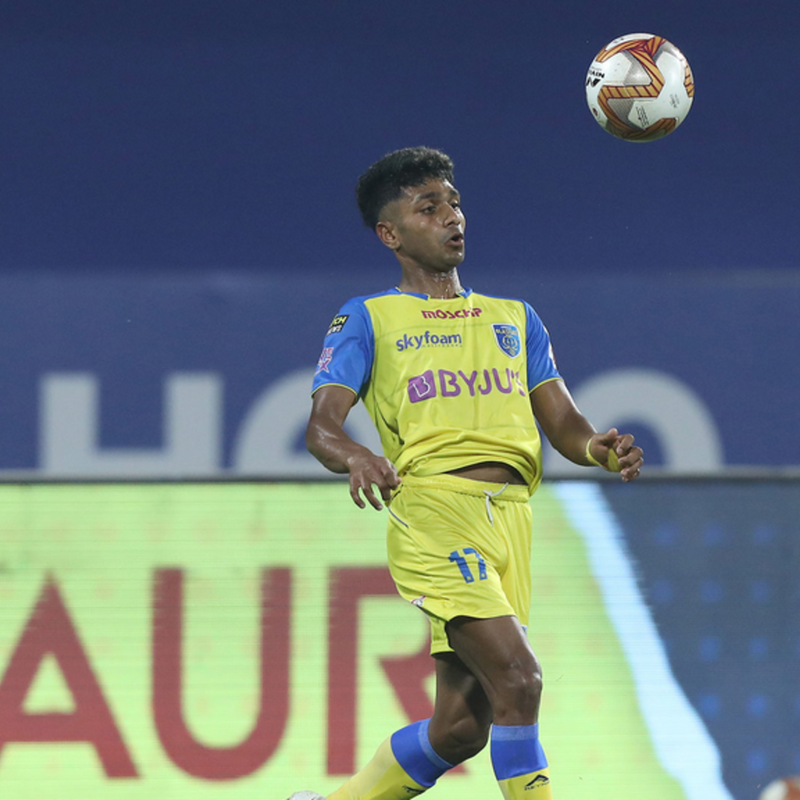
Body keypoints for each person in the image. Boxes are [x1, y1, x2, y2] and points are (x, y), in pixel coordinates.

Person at [293, 147, 643, 800]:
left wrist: (598, 447)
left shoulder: (516, 318)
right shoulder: (367, 318)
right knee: (520, 681)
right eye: (429, 207)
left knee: (460, 729)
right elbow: (321, 428)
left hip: (512, 523)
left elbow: (564, 424)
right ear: (390, 234)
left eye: (454, 203)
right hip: (435, 512)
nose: (452, 217)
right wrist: (358, 455)